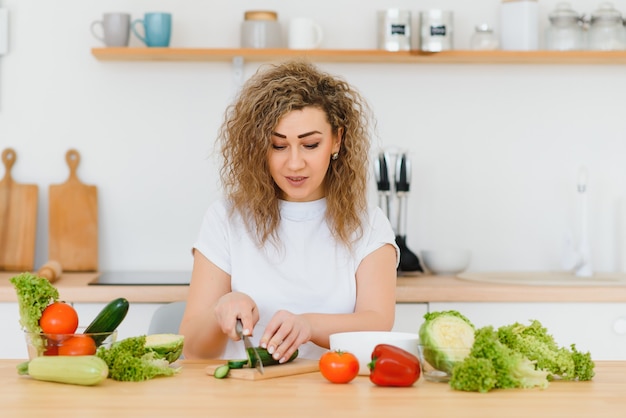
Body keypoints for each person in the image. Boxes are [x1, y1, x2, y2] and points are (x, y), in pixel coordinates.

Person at [180, 60, 399, 363]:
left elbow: (377, 322)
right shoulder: (226, 218)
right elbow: (191, 348)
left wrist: (309, 325)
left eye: (310, 144)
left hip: (334, 393)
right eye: (278, 146)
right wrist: (223, 308)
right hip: (243, 397)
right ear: (259, 147)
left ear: (337, 139)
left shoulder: (369, 224)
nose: (295, 163)